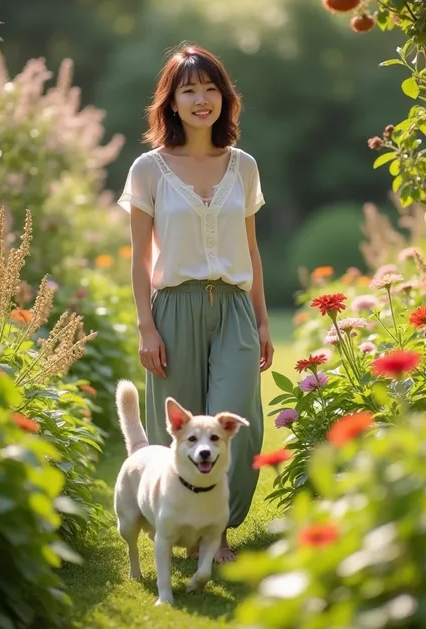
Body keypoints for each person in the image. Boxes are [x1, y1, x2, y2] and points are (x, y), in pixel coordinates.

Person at [118, 42, 273, 564]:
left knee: (237, 423)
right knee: (180, 434)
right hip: (174, 308)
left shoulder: (244, 167)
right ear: (172, 102)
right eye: (190, 90)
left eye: (211, 89)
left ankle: (218, 533)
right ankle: (180, 527)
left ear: (225, 99)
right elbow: (140, 258)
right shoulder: (148, 169)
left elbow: (250, 250)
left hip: (233, 308)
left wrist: (263, 322)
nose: (202, 99)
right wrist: (147, 327)